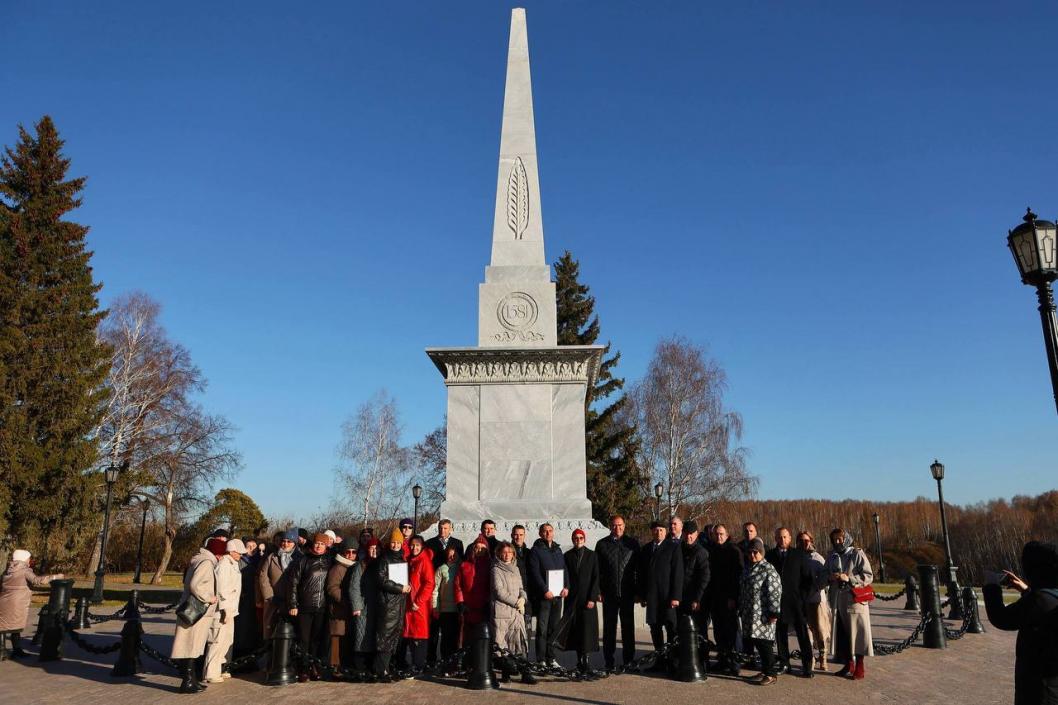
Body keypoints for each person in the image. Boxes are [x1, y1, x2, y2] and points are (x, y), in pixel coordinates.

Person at [983, 540, 1058, 705]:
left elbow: (1001, 618)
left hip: (1039, 688)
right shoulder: (1048, 597)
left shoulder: (1038, 600)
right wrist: (1026, 590)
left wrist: (991, 585)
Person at [171, 538, 221, 693]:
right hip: (196, 612)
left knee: (192, 647)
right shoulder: (206, 563)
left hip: (193, 610)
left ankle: (191, 679)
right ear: (217, 552)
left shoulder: (200, 560)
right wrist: (209, 598)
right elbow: (195, 585)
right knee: (190, 647)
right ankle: (187, 681)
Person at [765, 527, 814, 677]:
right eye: (779, 537)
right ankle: (784, 662)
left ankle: (807, 665)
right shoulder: (770, 555)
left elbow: (808, 579)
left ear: (790, 538)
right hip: (777, 601)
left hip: (796, 601)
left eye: (785, 537)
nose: (782, 540)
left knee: (802, 634)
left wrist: (802, 597)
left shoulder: (799, 555)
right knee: (780, 634)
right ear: (775, 538)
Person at [825, 528, 873, 680]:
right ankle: (848, 663)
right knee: (843, 634)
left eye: (839, 539)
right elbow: (825, 573)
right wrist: (831, 577)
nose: (837, 542)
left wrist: (849, 578)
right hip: (839, 600)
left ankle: (860, 666)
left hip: (855, 600)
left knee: (858, 633)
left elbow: (868, 575)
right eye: (834, 540)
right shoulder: (832, 556)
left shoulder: (856, 553)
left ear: (846, 538)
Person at [595, 514, 639, 672]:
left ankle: (628, 660)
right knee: (609, 628)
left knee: (628, 628)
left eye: (620, 525)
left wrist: (638, 592)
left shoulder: (632, 544)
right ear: (610, 526)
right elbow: (597, 571)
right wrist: (598, 591)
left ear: (624, 526)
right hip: (609, 593)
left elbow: (637, 570)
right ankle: (609, 660)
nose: (617, 528)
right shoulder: (602, 545)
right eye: (614, 525)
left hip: (627, 593)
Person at [288, 533, 334, 682]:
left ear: (326, 546)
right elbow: (293, 583)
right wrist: (293, 603)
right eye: (317, 543)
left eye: (322, 544)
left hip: (322, 606)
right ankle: (303, 668)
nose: (319, 546)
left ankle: (315, 666)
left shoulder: (329, 561)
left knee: (317, 640)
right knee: (304, 639)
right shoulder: (303, 560)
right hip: (305, 605)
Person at [638, 520, 683, 671]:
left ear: (665, 532)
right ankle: (659, 660)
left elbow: (678, 574)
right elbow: (642, 574)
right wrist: (642, 595)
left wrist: (676, 596)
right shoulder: (645, 549)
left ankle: (673, 661)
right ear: (652, 532)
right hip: (652, 597)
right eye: (656, 530)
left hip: (668, 597)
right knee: (655, 628)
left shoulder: (673, 547)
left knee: (671, 629)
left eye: (661, 530)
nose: (659, 533)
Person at [0, 549, 62, 660]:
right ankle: (16, 650)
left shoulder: (7, 570)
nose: (29, 560)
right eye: (28, 558)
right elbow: (37, 580)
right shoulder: (24, 571)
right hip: (17, 603)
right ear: (23, 559)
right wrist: (55, 577)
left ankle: (2, 651)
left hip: (4, 601)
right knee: (16, 626)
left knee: (4, 625)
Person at [491, 541, 538, 684]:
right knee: (504, 645)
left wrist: (523, 598)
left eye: (509, 552)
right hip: (502, 612)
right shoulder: (495, 569)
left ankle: (525, 673)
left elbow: (521, 588)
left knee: (519, 643)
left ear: (513, 554)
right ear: (499, 553)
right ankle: (506, 673)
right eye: (504, 552)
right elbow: (499, 591)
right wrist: (516, 602)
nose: (507, 555)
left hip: (517, 612)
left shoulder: (516, 568)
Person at [739, 537, 782, 686]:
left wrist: (774, 612)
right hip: (750, 613)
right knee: (757, 642)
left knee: (765, 644)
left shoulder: (768, 569)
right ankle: (764, 670)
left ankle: (771, 674)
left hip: (763, 614)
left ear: (762, 552)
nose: (752, 555)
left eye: (756, 552)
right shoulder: (748, 567)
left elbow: (775, 591)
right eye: (750, 552)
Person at [204, 539, 246, 684]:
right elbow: (221, 588)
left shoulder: (232, 564)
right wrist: (225, 609)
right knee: (217, 640)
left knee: (227, 640)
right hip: (222, 610)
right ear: (231, 551)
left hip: (231, 609)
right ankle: (211, 672)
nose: (240, 555)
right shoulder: (224, 565)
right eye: (238, 552)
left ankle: (222, 667)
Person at [560, 529, 601, 675]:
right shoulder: (567, 556)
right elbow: (565, 576)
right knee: (576, 631)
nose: (578, 540)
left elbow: (596, 577)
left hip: (587, 599)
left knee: (587, 631)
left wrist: (592, 597)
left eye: (580, 537)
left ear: (584, 539)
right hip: (573, 599)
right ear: (572, 539)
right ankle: (579, 661)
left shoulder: (592, 555)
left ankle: (587, 661)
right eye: (575, 538)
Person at [528, 522, 568, 669]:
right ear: (540, 533)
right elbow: (534, 573)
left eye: (550, 531)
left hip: (558, 596)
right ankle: (541, 659)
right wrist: (544, 590)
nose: (548, 533)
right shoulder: (536, 550)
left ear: (553, 532)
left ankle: (551, 658)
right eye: (545, 531)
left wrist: (566, 587)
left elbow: (564, 570)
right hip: (544, 597)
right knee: (542, 629)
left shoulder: (558, 550)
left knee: (554, 628)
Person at [374, 528, 412, 680]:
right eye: (393, 542)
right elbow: (381, 580)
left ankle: (388, 667)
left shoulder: (402, 559)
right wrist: (400, 587)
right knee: (385, 637)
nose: (395, 545)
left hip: (400, 603)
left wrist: (407, 585)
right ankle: (381, 669)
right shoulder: (384, 559)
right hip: (388, 603)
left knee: (394, 637)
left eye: (398, 542)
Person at [706, 523, 743, 675]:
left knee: (731, 632)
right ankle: (722, 660)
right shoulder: (712, 550)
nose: (719, 537)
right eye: (716, 534)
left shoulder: (734, 551)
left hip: (729, 598)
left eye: (721, 534)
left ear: (727, 535)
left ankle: (734, 663)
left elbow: (737, 576)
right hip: (715, 598)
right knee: (719, 631)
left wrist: (733, 597)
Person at [425, 519, 462, 667]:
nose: (443, 531)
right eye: (441, 528)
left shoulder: (458, 544)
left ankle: (452, 660)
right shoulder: (430, 543)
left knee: (451, 634)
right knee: (434, 631)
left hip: (453, 594)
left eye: (446, 528)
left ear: (451, 529)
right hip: (436, 584)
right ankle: (431, 659)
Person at [797, 530, 831, 672]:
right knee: (807, 630)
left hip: (817, 599)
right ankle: (810, 657)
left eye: (806, 540)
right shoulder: (796, 556)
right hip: (802, 600)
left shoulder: (817, 558)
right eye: (801, 540)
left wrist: (815, 586)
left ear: (811, 541)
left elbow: (825, 577)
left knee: (820, 630)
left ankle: (823, 656)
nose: (804, 543)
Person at [680, 520, 711, 673]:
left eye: (691, 534)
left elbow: (704, 578)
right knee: (683, 632)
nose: (688, 537)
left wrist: (697, 599)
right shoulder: (679, 549)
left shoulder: (701, 552)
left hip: (696, 600)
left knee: (700, 632)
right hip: (681, 598)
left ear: (696, 534)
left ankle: (703, 661)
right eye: (686, 534)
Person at [401, 535, 435, 674]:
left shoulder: (424, 561)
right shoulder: (411, 560)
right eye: (412, 545)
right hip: (409, 603)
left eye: (417, 545)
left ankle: (419, 664)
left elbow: (429, 583)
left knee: (420, 636)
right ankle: (414, 663)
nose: (414, 548)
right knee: (411, 635)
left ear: (422, 547)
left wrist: (419, 601)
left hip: (419, 605)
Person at [258, 529, 298, 639]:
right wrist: (270, 596)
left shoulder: (299, 558)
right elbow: (263, 577)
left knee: (290, 633)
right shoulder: (272, 557)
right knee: (270, 630)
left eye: (289, 541)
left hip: (292, 602)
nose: (285, 544)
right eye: (283, 541)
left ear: (294, 543)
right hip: (273, 600)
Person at [348, 538, 380, 678]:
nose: (374, 550)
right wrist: (357, 606)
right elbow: (354, 587)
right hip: (363, 607)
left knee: (375, 637)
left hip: (379, 606)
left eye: (377, 548)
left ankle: (374, 666)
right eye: (372, 548)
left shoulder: (382, 564)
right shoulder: (360, 566)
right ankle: (360, 667)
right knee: (361, 637)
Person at [326, 545, 356, 674]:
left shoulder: (354, 567)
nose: (350, 554)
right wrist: (345, 600)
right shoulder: (338, 568)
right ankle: (335, 668)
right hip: (339, 609)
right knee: (337, 639)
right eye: (348, 551)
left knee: (346, 639)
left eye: (353, 552)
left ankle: (346, 666)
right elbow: (332, 588)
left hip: (350, 610)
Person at [431, 545, 462, 672]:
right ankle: (445, 663)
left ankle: (455, 664)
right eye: (449, 555)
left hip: (458, 609)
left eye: (454, 555)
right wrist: (435, 607)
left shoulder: (461, 568)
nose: (452, 557)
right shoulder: (441, 569)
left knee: (456, 638)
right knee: (445, 638)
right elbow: (435, 590)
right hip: (445, 609)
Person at [233, 537, 261, 667]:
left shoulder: (260, 560)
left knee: (253, 631)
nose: (251, 548)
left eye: (254, 546)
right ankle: (239, 659)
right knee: (242, 631)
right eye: (249, 546)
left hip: (256, 600)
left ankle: (251, 658)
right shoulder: (240, 561)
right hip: (243, 599)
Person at [510, 525, 533, 638]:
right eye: (516, 534)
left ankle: (525, 655)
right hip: (513, 596)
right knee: (513, 632)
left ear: (524, 536)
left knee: (527, 630)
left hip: (528, 597)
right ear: (511, 535)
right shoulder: (507, 553)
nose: (518, 537)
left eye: (521, 535)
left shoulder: (530, 553)